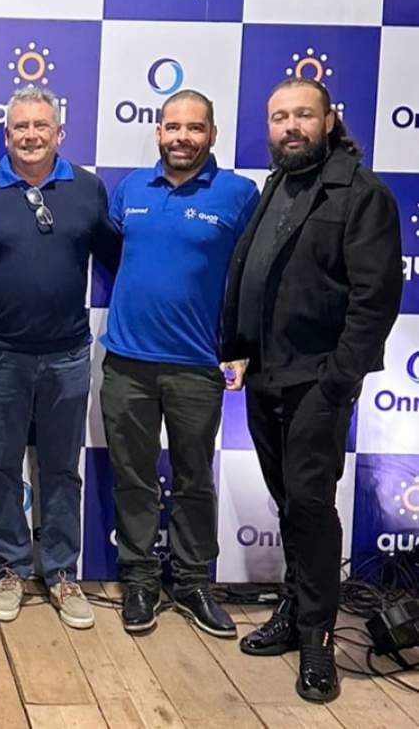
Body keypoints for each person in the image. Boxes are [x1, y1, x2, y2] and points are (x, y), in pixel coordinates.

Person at [221, 77, 402, 703]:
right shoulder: (279, 183)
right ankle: (296, 609)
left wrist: (338, 380)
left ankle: (318, 638)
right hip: (266, 375)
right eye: (279, 117)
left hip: (317, 381)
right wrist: (237, 350)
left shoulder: (362, 194)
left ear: (329, 121)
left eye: (302, 115)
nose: (290, 126)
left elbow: (375, 299)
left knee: (310, 505)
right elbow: (254, 273)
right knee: (289, 502)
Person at [0, 85, 120, 628]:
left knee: (61, 469)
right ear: (6, 135)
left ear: (59, 133)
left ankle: (62, 572)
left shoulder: (89, 191)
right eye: (20, 127)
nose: (30, 135)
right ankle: (10, 568)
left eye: (40, 126)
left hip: (67, 356)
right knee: (2, 467)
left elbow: (122, 262)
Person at [99, 90, 259, 637]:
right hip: (126, 364)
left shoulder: (239, 195)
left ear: (212, 133)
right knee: (134, 478)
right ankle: (140, 580)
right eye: (173, 127)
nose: (182, 138)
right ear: (158, 132)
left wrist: (241, 346)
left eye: (194, 128)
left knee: (194, 478)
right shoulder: (130, 189)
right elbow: (119, 254)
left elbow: (252, 276)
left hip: (197, 366)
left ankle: (192, 581)